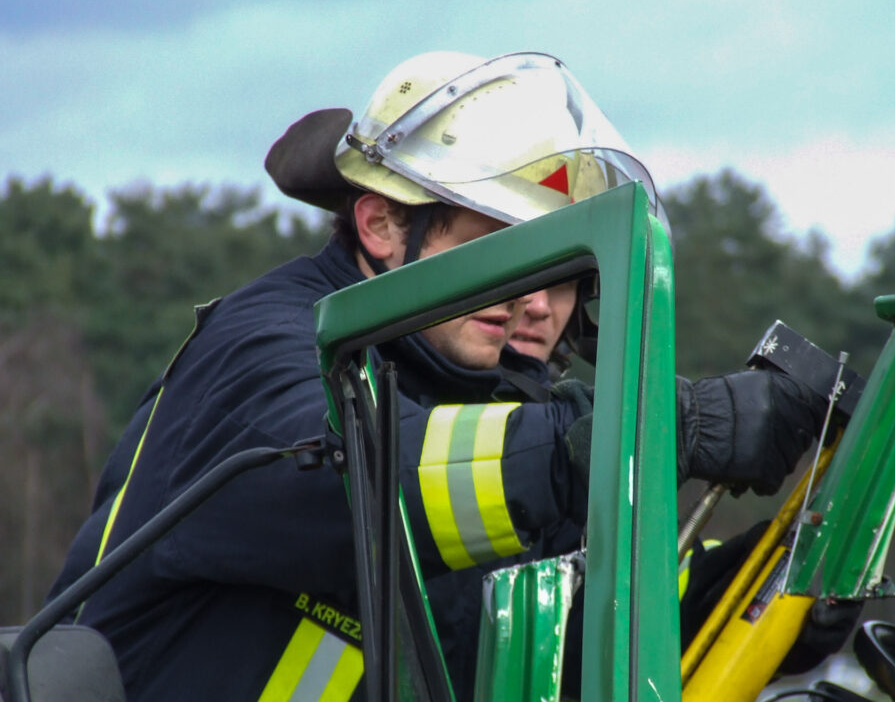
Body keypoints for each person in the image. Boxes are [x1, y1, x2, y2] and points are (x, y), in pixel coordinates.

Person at [48, 51, 830, 701]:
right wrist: (656, 427)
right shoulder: (263, 351)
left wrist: (772, 581)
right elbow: (366, 477)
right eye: (500, 253)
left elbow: (567, 632)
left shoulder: (485, 413)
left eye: (559, 272)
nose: (532, 302)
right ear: (382, 224)